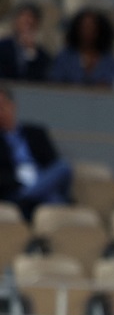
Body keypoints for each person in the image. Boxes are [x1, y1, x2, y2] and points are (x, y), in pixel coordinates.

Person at [0, 86, 72, 219]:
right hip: (15, 189)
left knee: (63, 167)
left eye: (2, 106)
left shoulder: (36, 133)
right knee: (53, 200)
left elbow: (52, 163)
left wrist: (38, 184)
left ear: (12, 106)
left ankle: (30, 194)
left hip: (40, 180)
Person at [49, 9, 114, 89]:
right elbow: (55, 83)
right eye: (84, 27)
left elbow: (109, 84)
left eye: (92, 28)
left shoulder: (108, 59)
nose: (87, 32)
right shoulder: (65, 57)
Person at [0, 3, 51, 82]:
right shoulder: (3, 47)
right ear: (16, 20)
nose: (28, 21)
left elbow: (39, 80)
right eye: (24, 16)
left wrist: (31, 52)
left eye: (32, 17)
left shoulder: (42, 56)